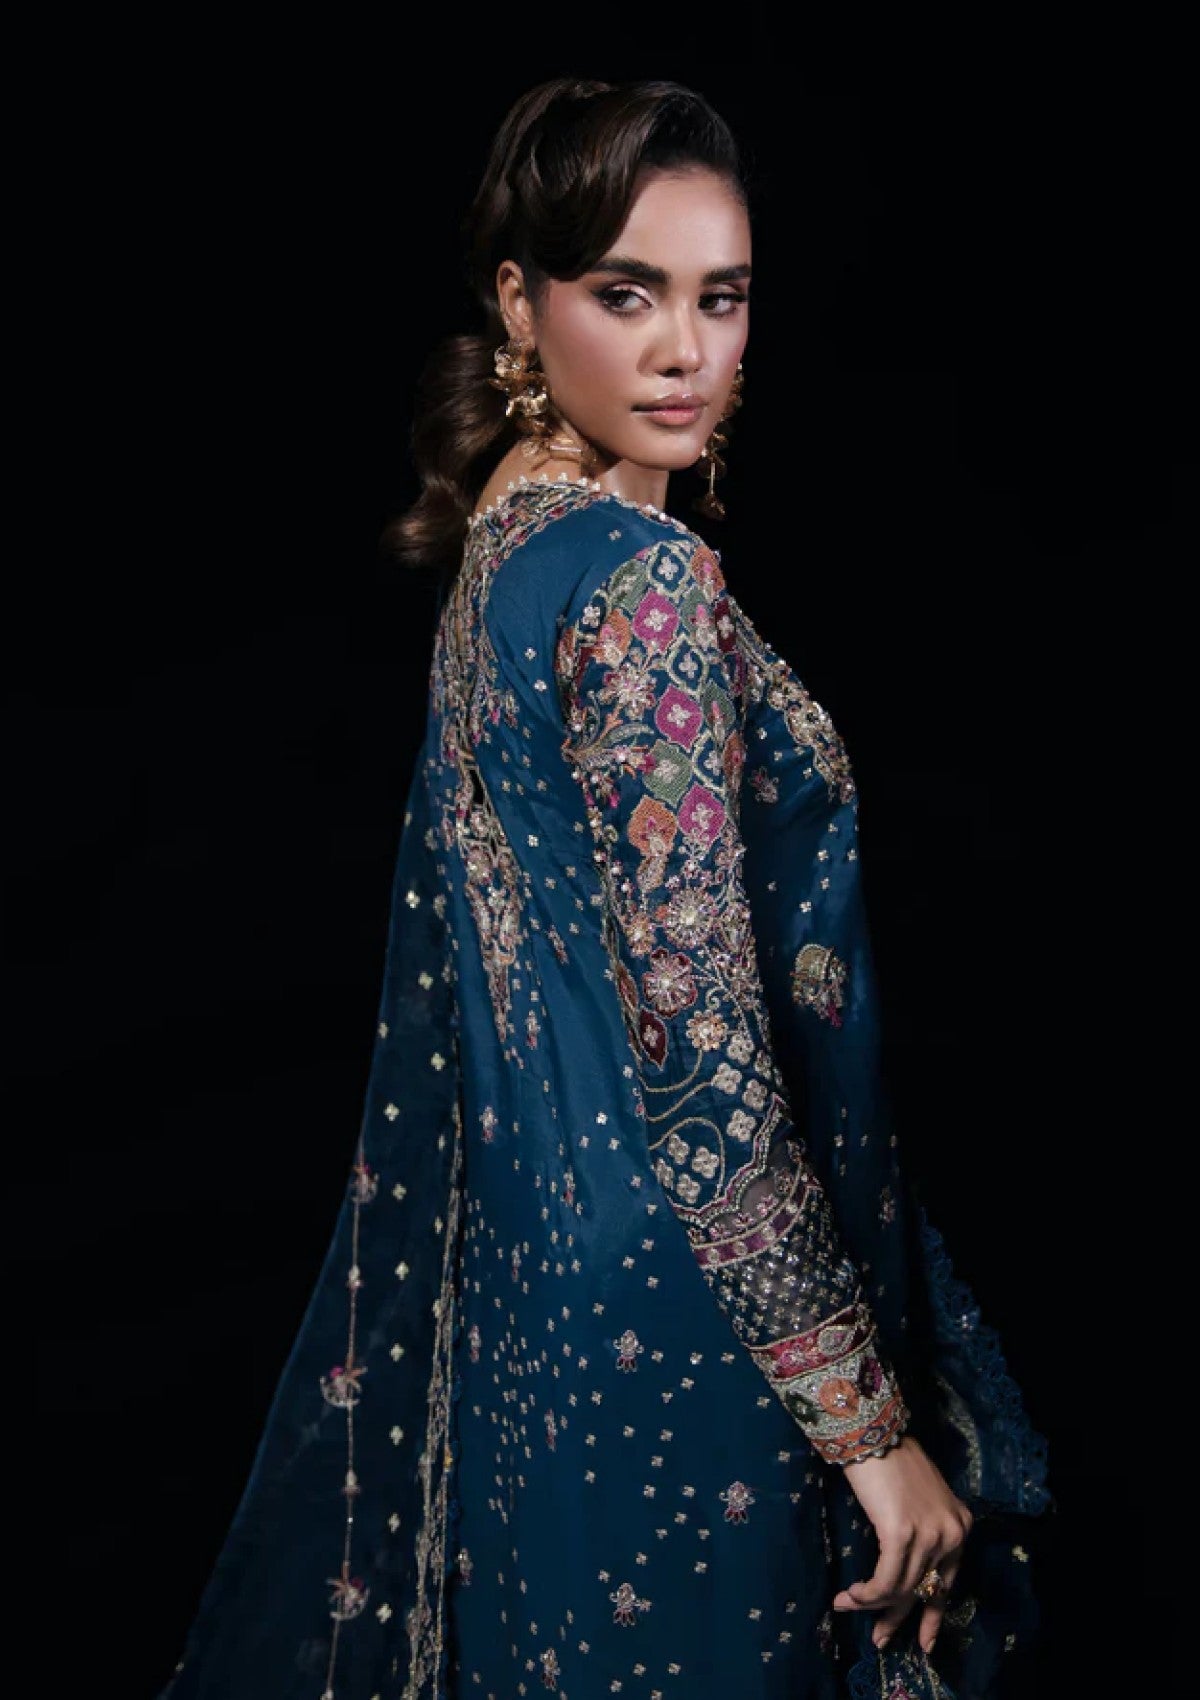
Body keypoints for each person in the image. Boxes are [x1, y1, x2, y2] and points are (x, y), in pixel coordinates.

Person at [161, 77, 1049, 1700]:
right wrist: (872, 1437)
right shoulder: (643, 585)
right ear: (520, 302)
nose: (683, 351)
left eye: (723, 298)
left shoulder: (504, 550)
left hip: (539, 1313)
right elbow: (703, 1068)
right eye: (626, 295)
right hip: (702, 1337)